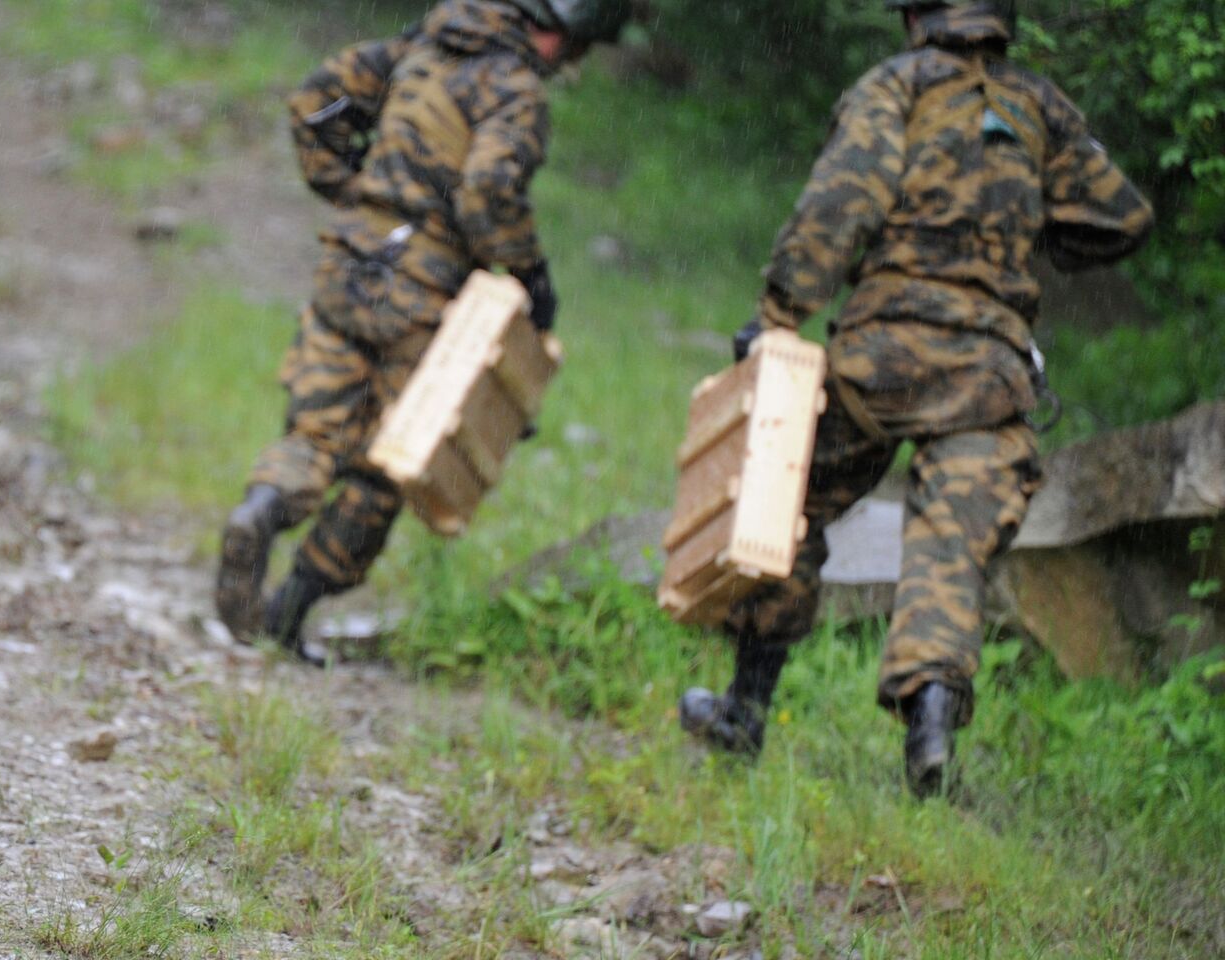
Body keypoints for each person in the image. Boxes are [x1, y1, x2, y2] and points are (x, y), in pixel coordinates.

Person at [678, 0, 1154, 795]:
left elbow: (839, 203)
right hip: (984, 377)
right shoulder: (1037, 105)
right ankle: (929, 732)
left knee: (783, 505)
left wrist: (778, 315)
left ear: (917, 15)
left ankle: (745, 711)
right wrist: (1043, 232)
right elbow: (1123, 216)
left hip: (878, 363)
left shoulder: (895, 88)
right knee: (947, 553)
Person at [214, 0, 630, 662]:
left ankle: (262, 510)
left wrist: (350, 190)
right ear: (561, 33)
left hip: (348, 261)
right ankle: (288, 613)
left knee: (315, 434)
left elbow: (315, 100)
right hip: (421, 291)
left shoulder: (420, 51)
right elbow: (487, 192)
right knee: (386, 466)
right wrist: (532, 277)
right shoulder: (514, 90)